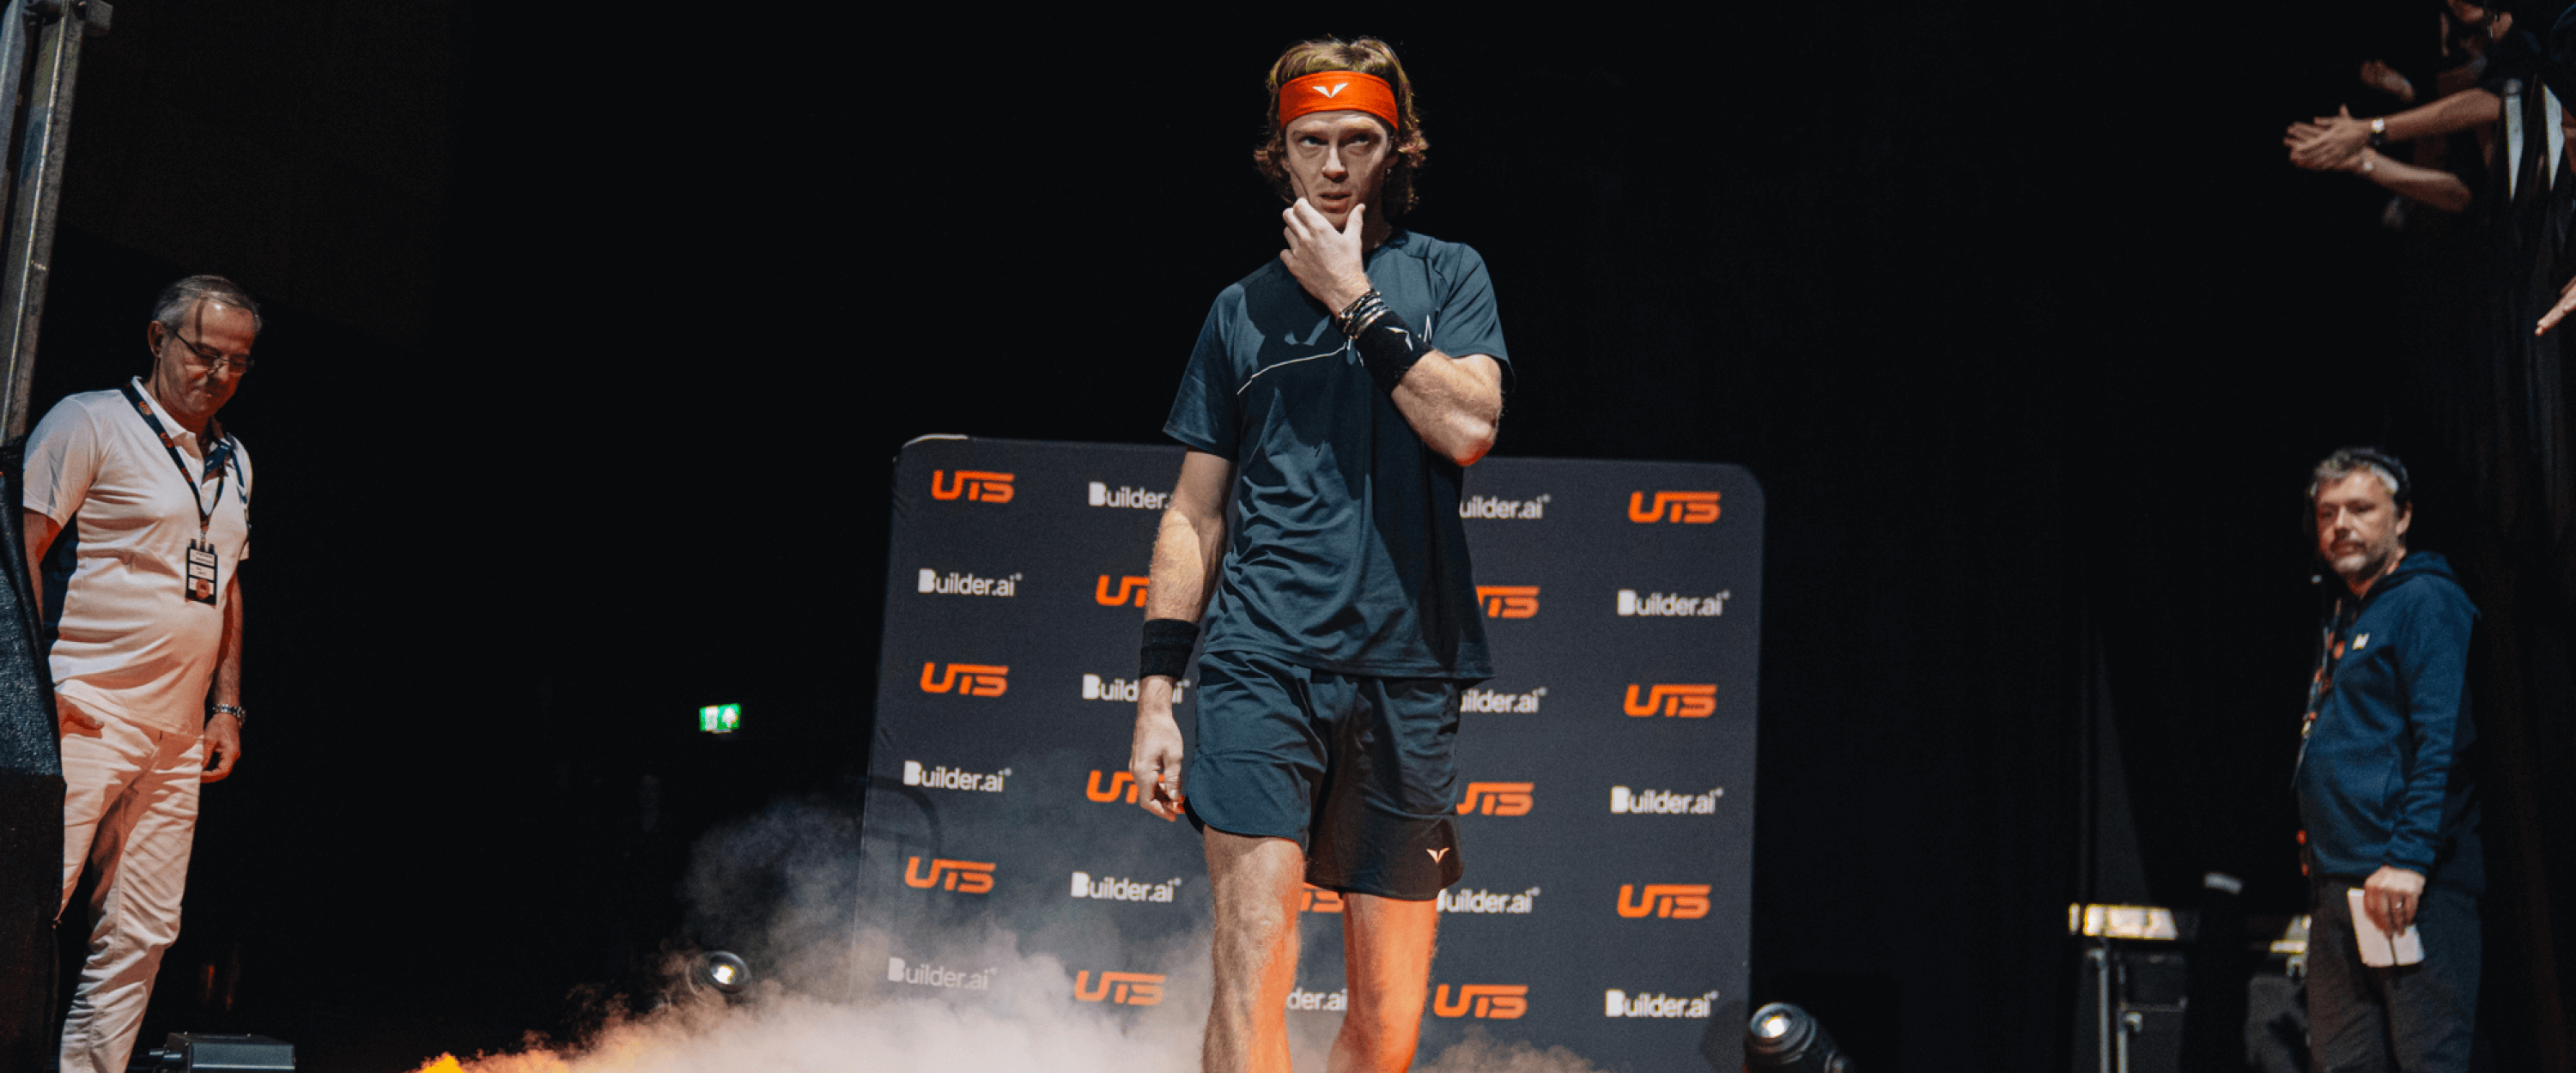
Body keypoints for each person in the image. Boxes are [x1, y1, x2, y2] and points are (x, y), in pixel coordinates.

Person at [1125, 36, 1509, 1073]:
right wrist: (1160, 692)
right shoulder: (1237, 309)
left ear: (1398, 149)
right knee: (1252, 956)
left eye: (1359, 140)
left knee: (1385, 1019)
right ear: (1279, 154)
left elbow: (1469, 426)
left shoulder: (1448, 275)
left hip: (1409, 666)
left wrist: (1355, 297)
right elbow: (1193, 516)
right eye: (1311, 142)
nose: (1334, 164)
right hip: (1260, 656)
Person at [23, 276, 258, 1073]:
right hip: (83, 707)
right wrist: (26, 696)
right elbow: (19, 555)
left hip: (178, 733)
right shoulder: (90, 421)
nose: (218, 373)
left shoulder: (234, 459)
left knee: (144, 934)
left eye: (237, 361)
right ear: (158, 339)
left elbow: (223, 584)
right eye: (203, 352)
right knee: (25, 910)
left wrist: (226, 706)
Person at [2297, 448, 2481, 1073]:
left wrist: (2407, 857)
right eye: (2327, 513)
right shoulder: (2349, 613)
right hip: (2339, 889)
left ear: (2402, 518)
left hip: (2406, 886)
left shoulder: (2425, 599)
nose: (2340, 525)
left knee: (2428, 1061)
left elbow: (2445, 742)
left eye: (2360, 509)